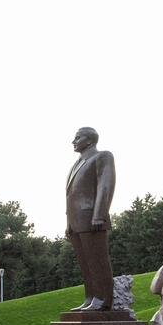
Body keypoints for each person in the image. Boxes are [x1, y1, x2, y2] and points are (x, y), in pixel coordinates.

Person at [65, 126, 117, 311]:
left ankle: (103, 299)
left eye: (77, 137)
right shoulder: (77, 164)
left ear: (89, 140)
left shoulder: (103, 156)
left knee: (97, 261)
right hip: (76, 221)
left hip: (92, 218)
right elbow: (71, 196)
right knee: (85, 263)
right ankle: (90, 297)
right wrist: (69, 223)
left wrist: (99, 215)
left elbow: (106, 186)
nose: (73, 141)